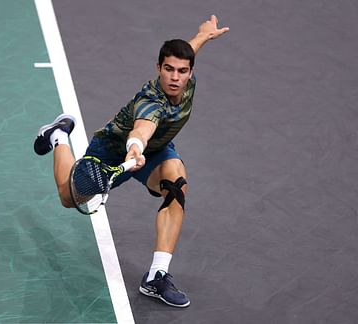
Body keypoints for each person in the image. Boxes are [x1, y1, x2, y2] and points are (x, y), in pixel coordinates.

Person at [34, 15, 229, 308]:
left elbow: (187, 52)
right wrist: (135, 147)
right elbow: (142, 128)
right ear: (158, 69)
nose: (175, 77)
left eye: (182, 71)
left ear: (190, 72)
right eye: (168, 70)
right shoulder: (151, 101)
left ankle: (156, 276)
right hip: (114, 153)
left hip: (157, 152)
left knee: (177, 185)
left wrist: (202, 36)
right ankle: (59, 135)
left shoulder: (185, 81)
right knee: (68, 196)